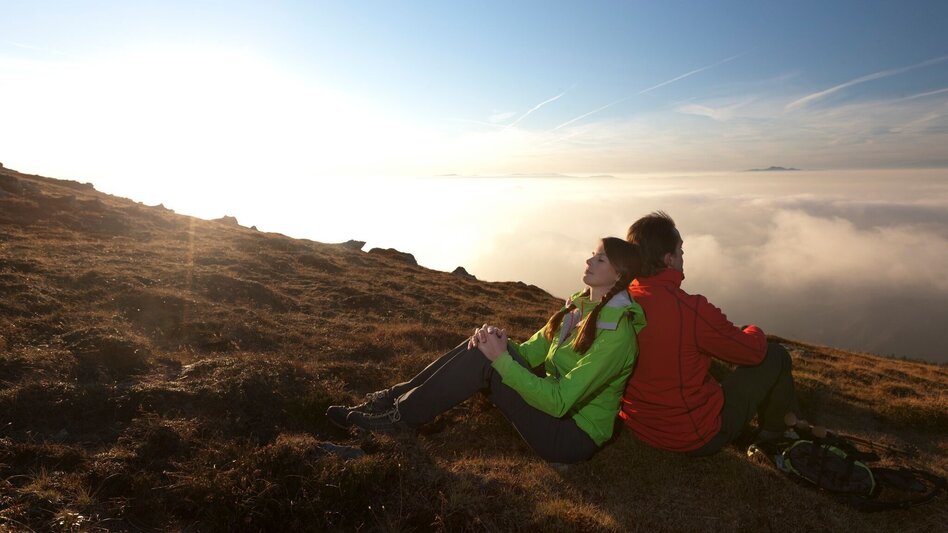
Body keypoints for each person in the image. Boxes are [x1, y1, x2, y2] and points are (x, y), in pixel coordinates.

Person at [327, 237, 647, 464]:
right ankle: (392, 400)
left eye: (600, 258)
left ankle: (398, 420)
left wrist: (500, 360)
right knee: (488, 344)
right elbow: (532, 353)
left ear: (618, 275)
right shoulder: (580, 305)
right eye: (592, 254)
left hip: (569, 436)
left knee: (490, 358)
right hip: (554, 409)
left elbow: (561, 402)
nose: (589, 260)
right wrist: (496, 343)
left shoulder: (617, 335)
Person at [619, 211, 800, 456]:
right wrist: (753, 329)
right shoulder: (690, 310)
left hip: (638, 424)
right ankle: (774, 435)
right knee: (776, 356)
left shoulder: (618, 301)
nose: (683, 255)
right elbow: (752, 352)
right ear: (669, 259)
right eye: (680, 250)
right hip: (692, 436)